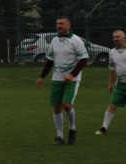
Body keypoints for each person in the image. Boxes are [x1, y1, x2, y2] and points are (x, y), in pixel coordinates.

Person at [34, 17, 89, 145]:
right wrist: (41, 77)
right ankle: (59, 136)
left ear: (68, 25)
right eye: (57, 23)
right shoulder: (54, 40)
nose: (58, 25)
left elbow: (83, 59)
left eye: (61, 23)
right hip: (57, 78)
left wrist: (72, 74)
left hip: (72, 79)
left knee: (66, 105)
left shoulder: (76, 40)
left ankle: (72, 129)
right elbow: (49, 61)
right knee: (56, 107)